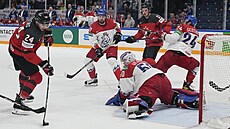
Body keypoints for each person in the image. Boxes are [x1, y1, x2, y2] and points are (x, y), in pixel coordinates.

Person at [105, 51, 199, 119]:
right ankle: (190, 99)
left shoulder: (127, 68)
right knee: (170, 98)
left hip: (151, 84)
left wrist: (119, 98)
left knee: (144, 99)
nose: (124, 63)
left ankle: (140, 107)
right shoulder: (144, 62)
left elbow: (126, 90)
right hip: (164, 80)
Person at [8, 10, 54, 114]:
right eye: (44, 24)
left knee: (26, 71)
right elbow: (27, 54)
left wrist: (46, 35)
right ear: (37, 22)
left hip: (15, 48)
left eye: (47, 23)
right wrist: (42, 64)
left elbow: (39, 32)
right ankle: (19, 103)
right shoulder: (32, 33)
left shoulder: (34, 24)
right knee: (37, 77)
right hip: (19, 53)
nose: (46, 26)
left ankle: (22, 93)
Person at [155, 15, 199, 91]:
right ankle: (187, 85)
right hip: (184, 57)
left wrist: (163, 35)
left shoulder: (183, 26)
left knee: (156, 72)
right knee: (196, 66)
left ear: (188, 22)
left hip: (170, 55)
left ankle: (152, 85)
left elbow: (173, 39)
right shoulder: (197, 33)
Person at [84, 9, 122, 86]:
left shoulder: (112, 22)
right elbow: (92, 40)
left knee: (112, 60)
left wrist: (118, 34)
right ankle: (93, 79)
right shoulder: (93, 27)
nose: (101, 18)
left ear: (105, 16)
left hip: (111, 45)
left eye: (103, 16)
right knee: (87, 60)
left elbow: (117, 28)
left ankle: (121, 81)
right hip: (100, 46)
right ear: (97, 16)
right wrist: (97, 48)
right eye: (99, 16)